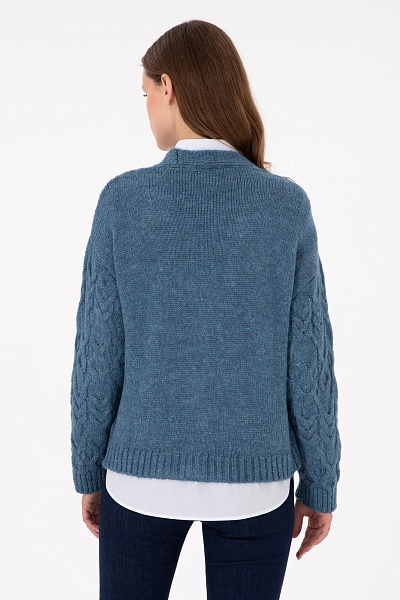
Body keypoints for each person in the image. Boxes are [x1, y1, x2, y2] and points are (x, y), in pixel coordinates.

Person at [70, 19, 341, 600]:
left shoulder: (122, 202)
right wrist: (321, 482)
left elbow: (98, 356)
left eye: (146, 94)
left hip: (139, 481)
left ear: (168, 87)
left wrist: (88, 470)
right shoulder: (286, 207)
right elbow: (310, 365)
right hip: (256, 486)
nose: (147, 109)